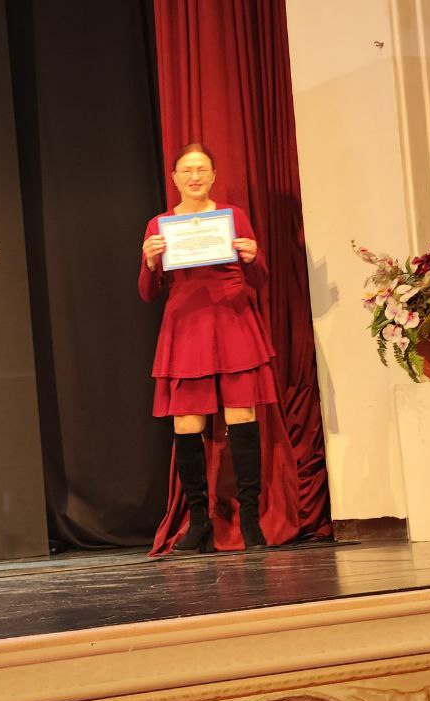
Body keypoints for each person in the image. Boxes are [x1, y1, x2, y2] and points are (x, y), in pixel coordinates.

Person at [139, 143, 275, 554]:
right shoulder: (159, 225)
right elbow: (148, 293)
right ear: (175, 178)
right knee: (187, 424)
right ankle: (199, 522)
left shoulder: (233, 216)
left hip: (233, 322)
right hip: (186, 328)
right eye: (187, 170)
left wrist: (252, 257)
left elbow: (259, 280)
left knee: (242, 416)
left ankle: (250, 520)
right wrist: (149, 263)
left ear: (214, 175)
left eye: (202, 170)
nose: (195, 177)